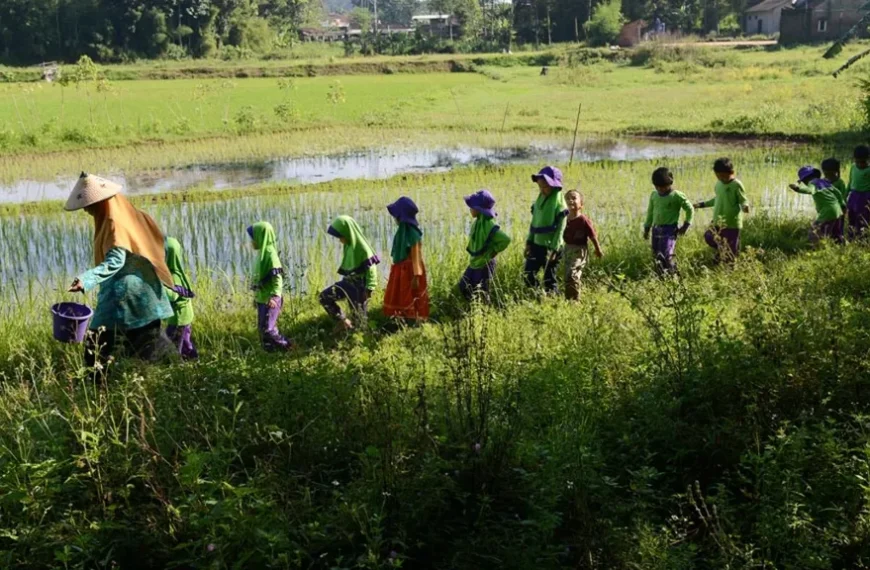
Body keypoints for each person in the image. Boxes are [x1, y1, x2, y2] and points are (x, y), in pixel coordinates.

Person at [65, 173, 176, 369]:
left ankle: (96, 386)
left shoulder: (113, 223)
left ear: (102, 203)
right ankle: (175, 369)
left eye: (90, 205)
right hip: (148, 292)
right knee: (146, 340)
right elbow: (160, 245)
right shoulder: (137, 216)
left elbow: (115, 261)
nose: (86, 210)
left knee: (96, 344)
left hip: (123, 296)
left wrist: (86, 280)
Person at [321, 216, 379, 331]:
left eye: (340, 236)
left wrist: (369, 288)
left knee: (359, 318)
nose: (340, 240)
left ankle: (360, 337)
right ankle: (343, 321)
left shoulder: (362, 248)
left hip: (359, 286)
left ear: (348, 233)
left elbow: (371, 268)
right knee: (324, 297)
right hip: (347, 282)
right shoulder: (348, 245)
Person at [247, 222, 293, 352]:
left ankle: (288, 346)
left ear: (261, 238)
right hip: (262, 298)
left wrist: (275, 296)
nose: (251, 242)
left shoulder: (270, 253)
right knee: (262, 328)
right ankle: (270, 352)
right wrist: (256, 297)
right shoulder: (261, 253)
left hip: (271, 299)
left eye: (253, 238)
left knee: (268, 329)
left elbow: (277, 277)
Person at [694, 157, 749, 264]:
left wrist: (745, 206)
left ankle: (729, 270)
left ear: (732, 172)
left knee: (731, 253)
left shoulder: (736, 185)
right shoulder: (719, 184)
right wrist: (701, 204)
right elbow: (717, 199)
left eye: (724, 176)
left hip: (732, 223)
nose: (721, 179)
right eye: (718, 176)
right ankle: (722, 252)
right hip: (717, 221)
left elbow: (743, 199)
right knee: (709, 237)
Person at [383, 196, 429, 322]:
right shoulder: (401, 232)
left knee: (412, 294)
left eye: (396, 216)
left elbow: (416, 256)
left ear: (401, 217)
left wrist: (416, 275)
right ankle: (402, 318)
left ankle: (415, 319)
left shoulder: (412, 234)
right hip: (401, 270)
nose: (394, 219)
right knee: (400, 293)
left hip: (410, 271)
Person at [459, 190, 511, 301]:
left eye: (472, 207)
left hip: (485, 264)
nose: (470, 209)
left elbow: (505, 240)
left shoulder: (489, 225)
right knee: (463, 286)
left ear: (479, 210)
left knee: (482, 292)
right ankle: (474, 307)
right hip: (475, 262)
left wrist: (494, 251)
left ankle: (483, 313)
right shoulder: (477, 223)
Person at [525, 166, 568, 293]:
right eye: (540, 187)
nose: (542, 190)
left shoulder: (560, 206)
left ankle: (554, 300)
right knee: (528, 275)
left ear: (555, 186)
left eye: (545, 187)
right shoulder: (539, 201)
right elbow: (534, 223)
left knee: (549, 279)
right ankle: (539, 296)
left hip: (551, 248)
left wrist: (554, 249)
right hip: (536, 245)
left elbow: (560, 230)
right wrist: (529, 242)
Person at [643, 167, 693, 275]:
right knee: (656, 254)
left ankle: (673, 273)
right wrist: (647, 228)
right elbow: (650, 213)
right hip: (656, 229)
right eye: (657, 187)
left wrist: (686, 225)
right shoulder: (654, 195)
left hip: (669, 230)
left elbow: (690, 209)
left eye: (663, 187)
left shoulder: (676, 196)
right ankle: (661, 276)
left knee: (666, 254)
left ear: (670, 183)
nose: (660, 189)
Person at [562, 190, 603, 300]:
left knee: (572, 273)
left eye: (574, 198)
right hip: (567, 249)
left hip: (579, 250)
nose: (570, 200)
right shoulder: (564, 219)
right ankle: (568, 298)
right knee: (567, 275)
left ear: (581, 205)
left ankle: (575, 299)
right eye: (567, 198)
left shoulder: (583, 220)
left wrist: (598, 249)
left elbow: (592, 235)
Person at [788, 165, 845, 244]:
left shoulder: (812, 183)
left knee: (814, 230)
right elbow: (837, 193)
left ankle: (817, 248)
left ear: (805, 179)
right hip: (838, 210)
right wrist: (842, 204)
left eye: (803, 181)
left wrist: (798, 189)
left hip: (827, 211)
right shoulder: (825, 182)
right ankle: (841, 247)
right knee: (835, 233)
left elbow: (810, 190)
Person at [164, 236, 199, 360]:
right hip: (182, 317)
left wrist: (157, 286)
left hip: (179, 318)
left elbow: (172, 295)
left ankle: (177, 366)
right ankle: (193, 359)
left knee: (173, 343)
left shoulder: (174, 275)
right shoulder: (176, 271)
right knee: (184, 340)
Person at [847, 145, 870, 238]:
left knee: (862, 218)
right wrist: (845, 195)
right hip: (854, 195)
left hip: (865, 196)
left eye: (863, 162)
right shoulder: (853, 167)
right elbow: (850, 182)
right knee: (851, 216)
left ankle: (862, 238)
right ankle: (851, 236)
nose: (860, 164)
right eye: (857, 162)